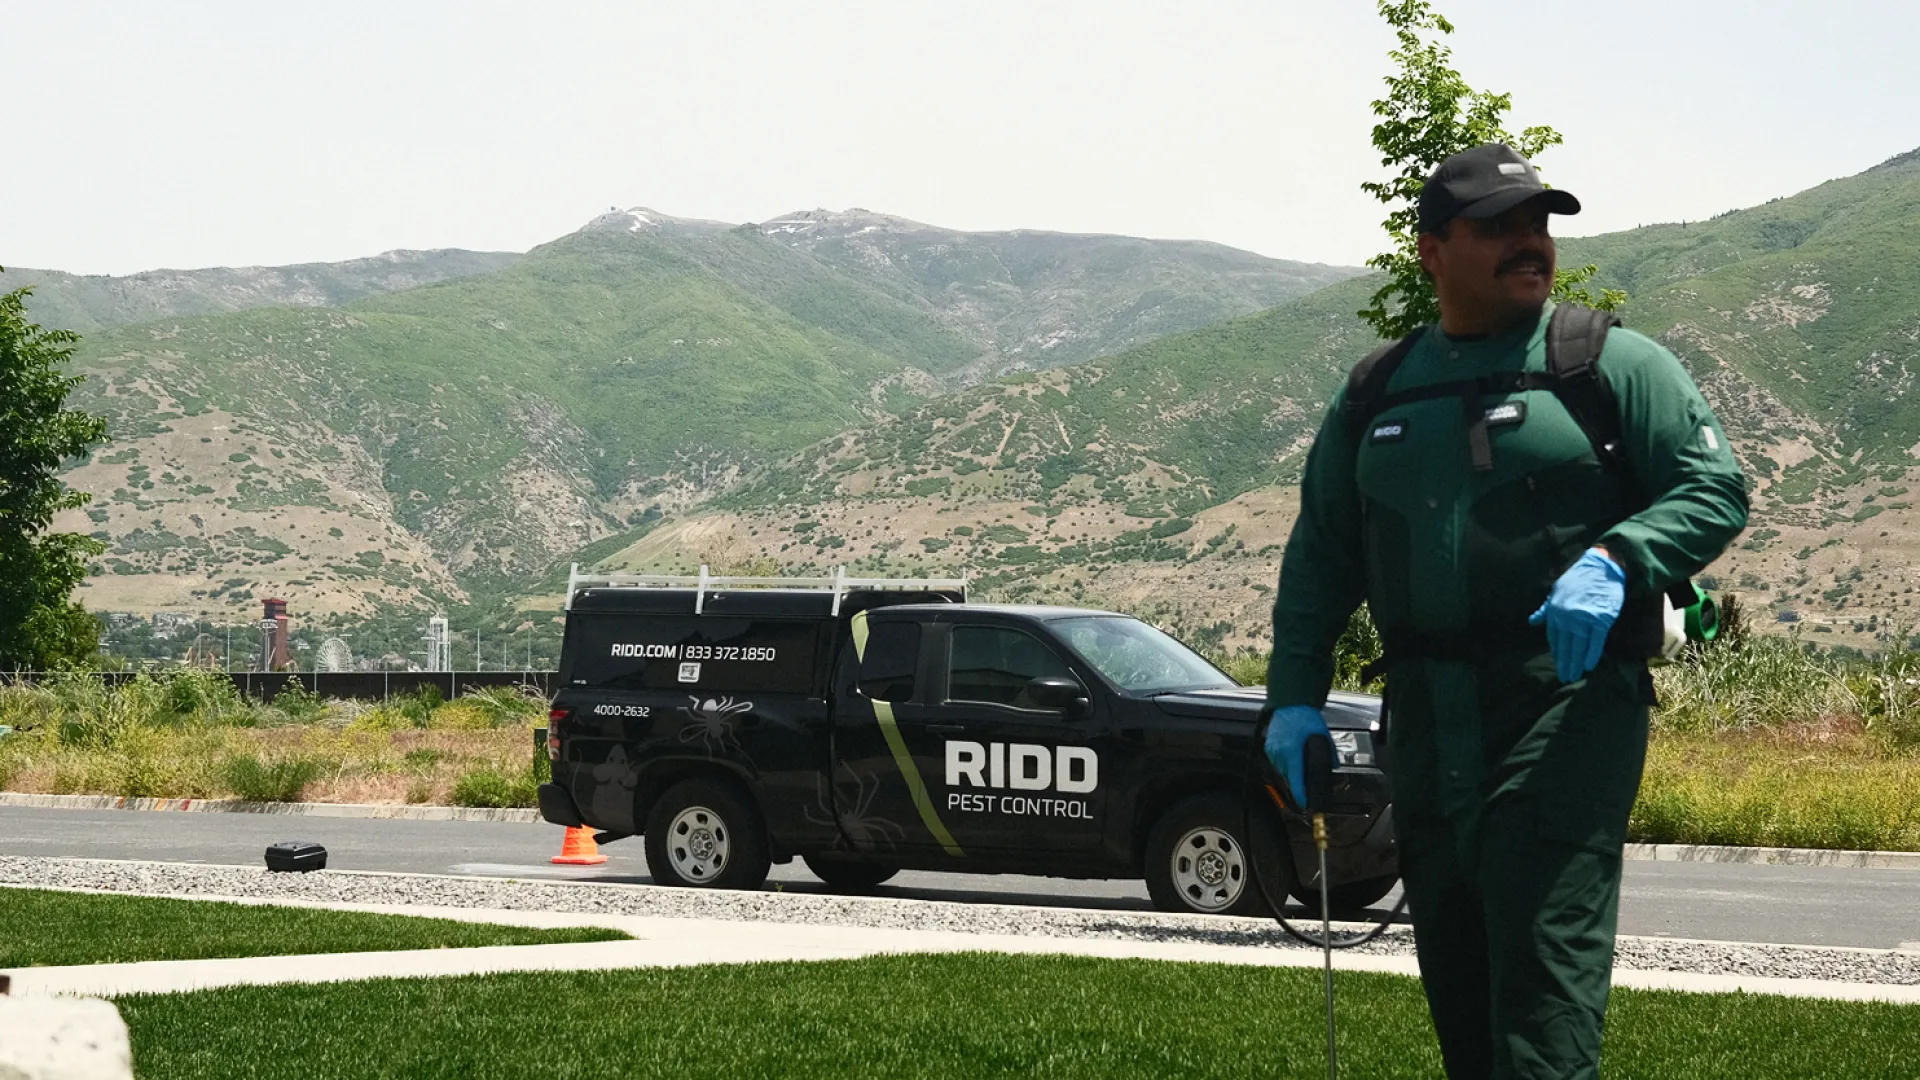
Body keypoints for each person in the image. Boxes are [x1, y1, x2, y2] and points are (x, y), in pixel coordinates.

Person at [1262, 143, 1748, 1079]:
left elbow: (1715, 488)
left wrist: (1620, 556)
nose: (1533, 243)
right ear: (1431, 249)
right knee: (1460, 984)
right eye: (1501, 226)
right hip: (1424, 724)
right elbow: (1320, 555)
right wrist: (1291, 699)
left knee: (1539, 992)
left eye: (1542, 223)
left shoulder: (1607, 365)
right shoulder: (1376, 392)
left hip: (1562, 711)